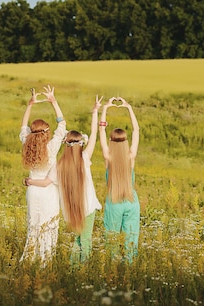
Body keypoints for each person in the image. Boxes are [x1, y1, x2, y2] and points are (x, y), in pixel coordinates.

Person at [27, 96, 103, 264]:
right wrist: (96, 111)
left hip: (70, 211)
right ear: (81, 144)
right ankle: (82, 270)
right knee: (86, 240)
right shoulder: (84, 158)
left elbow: (46, 182)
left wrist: (30, 181)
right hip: (88, 207)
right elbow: (94, 134)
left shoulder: (59, 165)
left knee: (77, 241)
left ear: (65, 144)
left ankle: (73, 268)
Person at [19, 85, 66, 264]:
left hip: (32, 190)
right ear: (46, 133)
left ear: (31, 133)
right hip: (48, 192)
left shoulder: (26, 144)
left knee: (34, 227)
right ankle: (45, 261)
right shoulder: (51, 148)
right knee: (49, 227)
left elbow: (23, 126)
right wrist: (53, 101)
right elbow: (62, 125)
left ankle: (30, 260)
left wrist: (30, 104)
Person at [99, 96, 140, 263]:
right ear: (126, 141)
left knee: (112, 239)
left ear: (110, 141)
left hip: (113, 202)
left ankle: (113, 268)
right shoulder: (131, 156)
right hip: (131, 201)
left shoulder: (108, 156)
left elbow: (101, 130)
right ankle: (129, 265)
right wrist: (128, 107)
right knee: (131, 239)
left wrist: (106, 108)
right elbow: (137, 130)